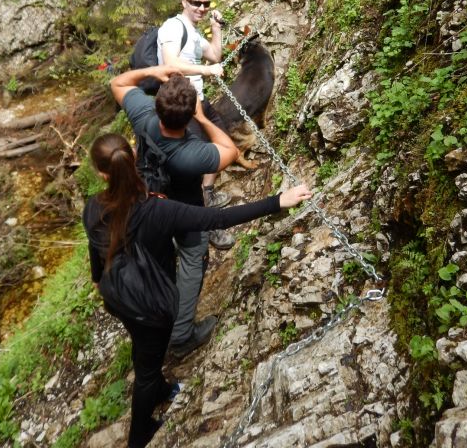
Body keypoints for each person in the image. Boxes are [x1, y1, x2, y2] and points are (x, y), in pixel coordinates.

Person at [83, 130, 312, 448]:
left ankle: (160, 388)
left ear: (101, 173)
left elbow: (96, 251)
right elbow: (218, 219)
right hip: (152, 303)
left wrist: (98, 280)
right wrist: (277, 201)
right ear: (134, 158)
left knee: (143, 348)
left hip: (119, 297)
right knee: (147, 368)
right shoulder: (158, 210)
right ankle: (139, 435)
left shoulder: (93, 208)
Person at [111, 65, 238, 359]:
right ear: (190, 113)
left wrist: (158, 70)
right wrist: (202, 118)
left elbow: (118, 83)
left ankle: (158, 316)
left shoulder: (144, 116)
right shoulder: (191, 155)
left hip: (148, 204)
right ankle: (180, 336)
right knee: (193, 258)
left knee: (160, 259)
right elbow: (230, 150)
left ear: (157, 104)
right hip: (184, 212)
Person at [157, 0, 234, 249]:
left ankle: (207, 193)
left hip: (199, 101)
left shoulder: (193, 32)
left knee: (221, 143)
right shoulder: (172, 27)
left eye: (205, 4)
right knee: (196, 166)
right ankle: (208, 225)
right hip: (182, 106)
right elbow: (171, 64)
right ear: (184, 2)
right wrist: (206, 70)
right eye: (196, 3)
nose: (201, 8)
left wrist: (216, 29)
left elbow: (214, 55)